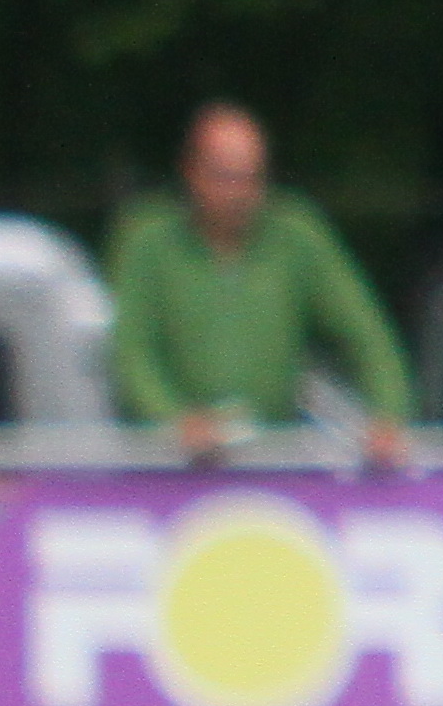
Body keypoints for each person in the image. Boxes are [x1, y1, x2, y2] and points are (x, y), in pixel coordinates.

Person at [109, 101, 413, 468]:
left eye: (251, 177)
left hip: (273, 457)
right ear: (190, 172)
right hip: (164, 464)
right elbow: (131, 353)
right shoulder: (148, 240)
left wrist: (388, 415)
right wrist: (174, 421)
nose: (239, 192)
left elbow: (366, 333)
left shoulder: (297, 234)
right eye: (225, 177)